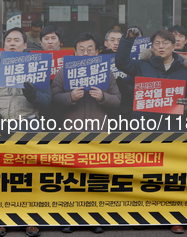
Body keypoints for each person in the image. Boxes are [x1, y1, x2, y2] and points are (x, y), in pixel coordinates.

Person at [117, 29, 187, 234]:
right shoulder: (142, 65)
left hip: (172, 128)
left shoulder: (185, 69)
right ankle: (142, 214)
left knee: (172, 174)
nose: (160, 46)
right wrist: (128, 39)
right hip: (145, 126)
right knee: (143, 171)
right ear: (151, 47)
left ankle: (174, 216)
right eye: (156, 43)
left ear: (174, 45)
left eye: (165, 43)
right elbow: (121, 63)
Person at [0, 28, 50, 237]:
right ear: (4, 45)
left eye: (17, 40)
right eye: (8, 40)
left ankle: (30, 218)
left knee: (29, 176)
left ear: (25, 45)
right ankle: (0, 218)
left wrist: (33, 94)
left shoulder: (38, 68)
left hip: (28, 127)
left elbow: (47, 101)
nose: (12, 43)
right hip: (0, 129)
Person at [51, 33, 120, 234]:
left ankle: (95, 218)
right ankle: (69, 218)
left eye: (90, 49)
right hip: (71, 133)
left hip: (99, 132)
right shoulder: (64, 72)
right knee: (71, 177)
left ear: (98, 52)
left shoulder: (107, 73)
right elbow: (53, 99)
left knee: (96, 177)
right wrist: (70, 97)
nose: (86, 53)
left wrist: (103, 97)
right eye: (81, 49)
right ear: (74, 52)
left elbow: (118, 100)